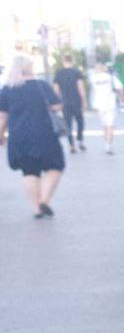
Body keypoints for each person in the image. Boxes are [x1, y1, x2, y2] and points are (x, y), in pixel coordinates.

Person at [0, 54, 66, 218]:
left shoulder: (7, 89)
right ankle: (44, 200)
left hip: (19, 136)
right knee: (55, 167)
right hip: (44, 134)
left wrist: (1, 135)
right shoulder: (41, 85)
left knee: (29, 172)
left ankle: (36, 208)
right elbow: (57, 106)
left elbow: (2, 117)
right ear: (29, 67)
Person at [53, 52, 87, 153]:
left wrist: (56, 102)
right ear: (72, 61)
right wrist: (84, 100)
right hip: (76, 101)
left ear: (63, 61)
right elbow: (80, 87)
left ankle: (72, 145)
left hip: (65, 102)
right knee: (80, 121)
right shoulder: (77, 72)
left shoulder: (58, 73)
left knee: (68, 124)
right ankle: (80, 140)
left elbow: (56, 90)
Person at [89, 59, 118, 154]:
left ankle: (106, 143)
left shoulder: (93, 78)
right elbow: (119, 87)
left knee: (104, 126)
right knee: (110, 126)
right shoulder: (110, 77)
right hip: (111, 104)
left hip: (99, 105)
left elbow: (92, 91)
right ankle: (108, 145)